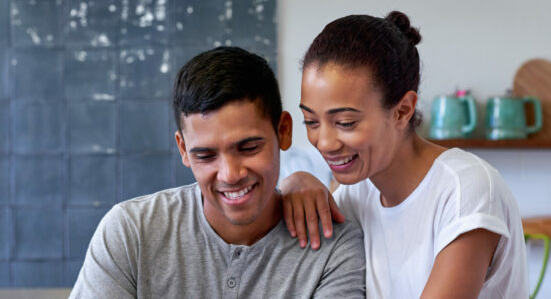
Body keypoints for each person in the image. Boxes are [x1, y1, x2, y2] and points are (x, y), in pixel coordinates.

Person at [70, 47, 366, 298]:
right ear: (183, 149)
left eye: (248, 148)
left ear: (283, 131)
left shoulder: (334, 247)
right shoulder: (130, 232)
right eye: (206, 155)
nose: (229, 174)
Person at [279, 11, 528, 298]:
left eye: (345, 123)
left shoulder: (465, 190)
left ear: (403, 110)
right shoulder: (356, 195)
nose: (324, 142)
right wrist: (295, 183)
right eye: (311, 122)